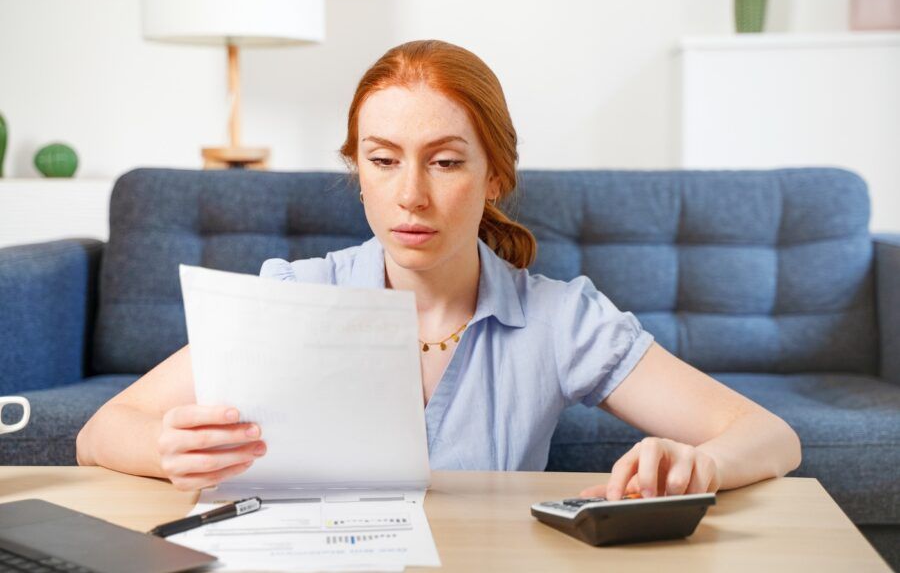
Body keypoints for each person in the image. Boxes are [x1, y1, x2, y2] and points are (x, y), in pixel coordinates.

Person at [76, 39, 801, 498]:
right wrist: (165, 450)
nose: (410, 195)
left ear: (493, 177)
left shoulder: (558, 318)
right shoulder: (297, 296)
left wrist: (702, 465)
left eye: (446, 162)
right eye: (383, 161)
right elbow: (103, 431)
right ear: (358, 171)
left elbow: (769, 435)